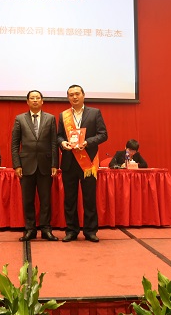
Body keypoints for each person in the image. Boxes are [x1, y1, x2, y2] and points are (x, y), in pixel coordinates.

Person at [57, 84, 108, 243]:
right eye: (71, 94)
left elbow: (103, 134)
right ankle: (71, 231)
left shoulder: (94, 113)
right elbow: (59, 136)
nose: (74, 97)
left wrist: (87, 142)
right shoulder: (63, 115)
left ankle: (90, 231)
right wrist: (62, 143)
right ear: (68, 97)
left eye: (77, 94)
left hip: (88, 163)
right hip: (69, 162)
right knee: (70, 199)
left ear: (83, 95)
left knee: (89, 198)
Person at [11, 90, 59, 242]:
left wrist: (54, 164)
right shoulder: (20, 119)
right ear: (27, 101)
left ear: (42, 101)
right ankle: (30, 229)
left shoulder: (50, 118)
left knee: (46, 200)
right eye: (32, 98)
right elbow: (14, 144)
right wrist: (17, 165)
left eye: (38, 98)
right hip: (26, 165)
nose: (35, 100)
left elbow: (53, 143)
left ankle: (46, 229)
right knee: (28, 200)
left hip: (46, 164)